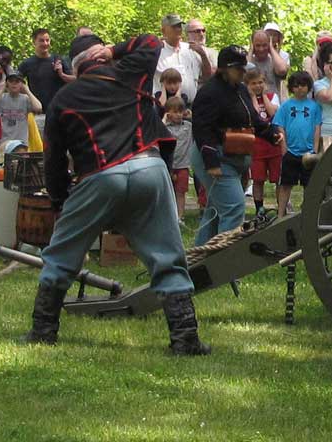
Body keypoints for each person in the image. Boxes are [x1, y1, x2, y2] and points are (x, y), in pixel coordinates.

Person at [25, 32, 208, 354]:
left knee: (61, 256)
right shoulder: (130, 75)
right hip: (149, 169)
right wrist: (115, 49)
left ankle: (43, 331)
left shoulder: (63, 100)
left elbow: (53, 160)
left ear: (77, 66)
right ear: (104, 58)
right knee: (167, 256)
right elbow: (151, 42)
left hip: (99, 176)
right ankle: (185, 338)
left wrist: (59, 201)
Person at [191, 45, 281, 245]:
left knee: (215, 212)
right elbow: (202, 129)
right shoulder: (209, 93)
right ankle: (224, 265)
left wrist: (269, 133)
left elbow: (250, 118)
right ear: (224, 69)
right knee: (233, 208)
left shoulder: (239, 89)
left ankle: (197, 260)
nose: (242, 72)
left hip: (235, 155)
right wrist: (211, 161)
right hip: (217, 158)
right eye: (238, 69)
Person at [272, 71, 322, 217]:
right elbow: (279, 126)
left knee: (310, 185)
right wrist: (284, 147)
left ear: (309, 87)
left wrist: (315, 148)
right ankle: (281, 213)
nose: (300, 88)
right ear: (291, 88)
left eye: (303, 85)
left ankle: (308, 213)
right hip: (290, 152)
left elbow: (317, 127)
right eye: (296, 86)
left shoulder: (314, 107)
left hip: (308, 153)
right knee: (286, 184)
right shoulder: (286, 106)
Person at [245, 68, 281, 217]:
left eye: (260, 82)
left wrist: (264, 96)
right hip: (256, 145)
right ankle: (259, 208)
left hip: (273, 144)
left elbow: (272, 113)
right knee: (258, 179)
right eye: (253, 83)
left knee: (278, 178)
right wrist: (253, 97)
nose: (258, 86)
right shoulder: (246, 100)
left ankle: (282, 205)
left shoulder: (273, 96)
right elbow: (255, 116)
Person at [18, 28, 74, 126]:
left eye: (47, 40)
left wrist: (61, 74)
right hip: (38, 113)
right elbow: (15, 82)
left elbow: (75, 81)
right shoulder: (27, 64)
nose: (45, 43)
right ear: (34, 42)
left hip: (58, 111)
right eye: (41, 40)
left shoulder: (59, 60)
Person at [156, 14, 212, 102]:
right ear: (163, 30)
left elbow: (207, 77)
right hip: (165, 108)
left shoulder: (190, 48)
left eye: (179, 26)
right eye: (174, 27)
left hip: (190, 107)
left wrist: (203, 55)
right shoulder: (157, 50)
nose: (178, 29)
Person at [163, 96, 194, 221]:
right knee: (167, 192)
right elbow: (157, 128)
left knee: (180, 192)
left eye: (180, 112)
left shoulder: (188, 126)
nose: (178, 115)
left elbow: (200, 123)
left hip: (182, 166)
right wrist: (165, 119)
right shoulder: (165, 128)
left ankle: (180, 217)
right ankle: (168, 216)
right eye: (175, 112)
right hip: (168, 166)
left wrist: (190, 115)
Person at [0, 72, 41, 147]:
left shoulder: (25, 99)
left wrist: (27, 90)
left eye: (17, 81)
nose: (14, 84)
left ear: (21, 84)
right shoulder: (1, 98)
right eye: (11, 81)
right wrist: (2, 89)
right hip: (3, 142)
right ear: (7, 83)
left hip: (21, 143)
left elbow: (38, 108)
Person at [250, 29, 289, 100]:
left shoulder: (274, 61)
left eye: (264, 45)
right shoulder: (249, 61)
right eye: (258, 45)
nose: (261, 49)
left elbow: (282, 70)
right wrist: (250, 51)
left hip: (273, 105)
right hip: (253, 106)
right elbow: (244, 73)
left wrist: (271, 48)